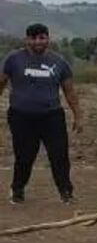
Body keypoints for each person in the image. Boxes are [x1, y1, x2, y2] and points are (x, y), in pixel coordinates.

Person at [3, 22, 82, 204]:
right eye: (33, 38)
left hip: (52, 116)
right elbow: (1, 82)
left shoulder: (59, 61)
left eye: (42, 37)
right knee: (24, 156)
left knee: (59, 155)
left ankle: (66, 192)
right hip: (21, 116)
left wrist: (78, 116)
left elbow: (69, 91)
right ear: (26, 40)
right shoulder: (13, 59)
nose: (38, 41)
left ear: (48, 39)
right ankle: (17, 189)